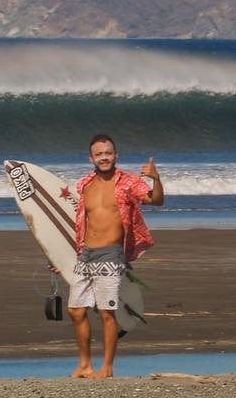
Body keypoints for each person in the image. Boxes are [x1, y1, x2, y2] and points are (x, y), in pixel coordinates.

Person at [65, 133, 164, 379]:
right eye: (99, 154)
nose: (104, 157)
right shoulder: (84, 184)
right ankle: (85, 365)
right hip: (85, 253)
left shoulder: (129, 182)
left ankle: (107, 367)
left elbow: (156, 201)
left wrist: (156, 179)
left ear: (116, 155)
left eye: (108, 153)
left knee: (106, 312)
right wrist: (64, 255)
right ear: (91, 158)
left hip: (110, 253)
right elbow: (80, 224)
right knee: (76, 310)